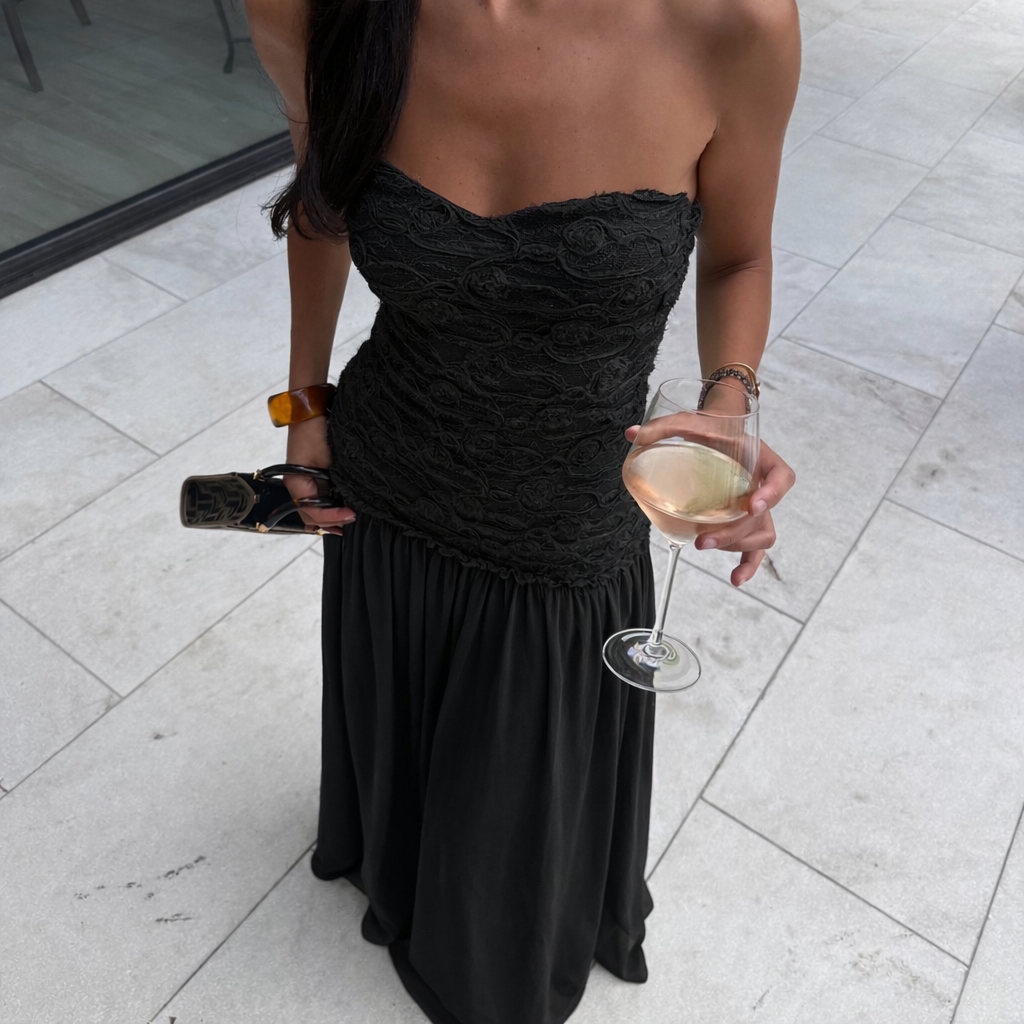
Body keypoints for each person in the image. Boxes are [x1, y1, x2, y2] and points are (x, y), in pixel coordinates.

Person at [246, 1, 798, 1021]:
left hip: (569, 519)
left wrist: (728, 405)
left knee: (510, 874)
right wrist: (306, 405)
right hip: (388, 488)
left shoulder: (733, 23)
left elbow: (738, 258)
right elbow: (321, 205)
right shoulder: (313, 5)